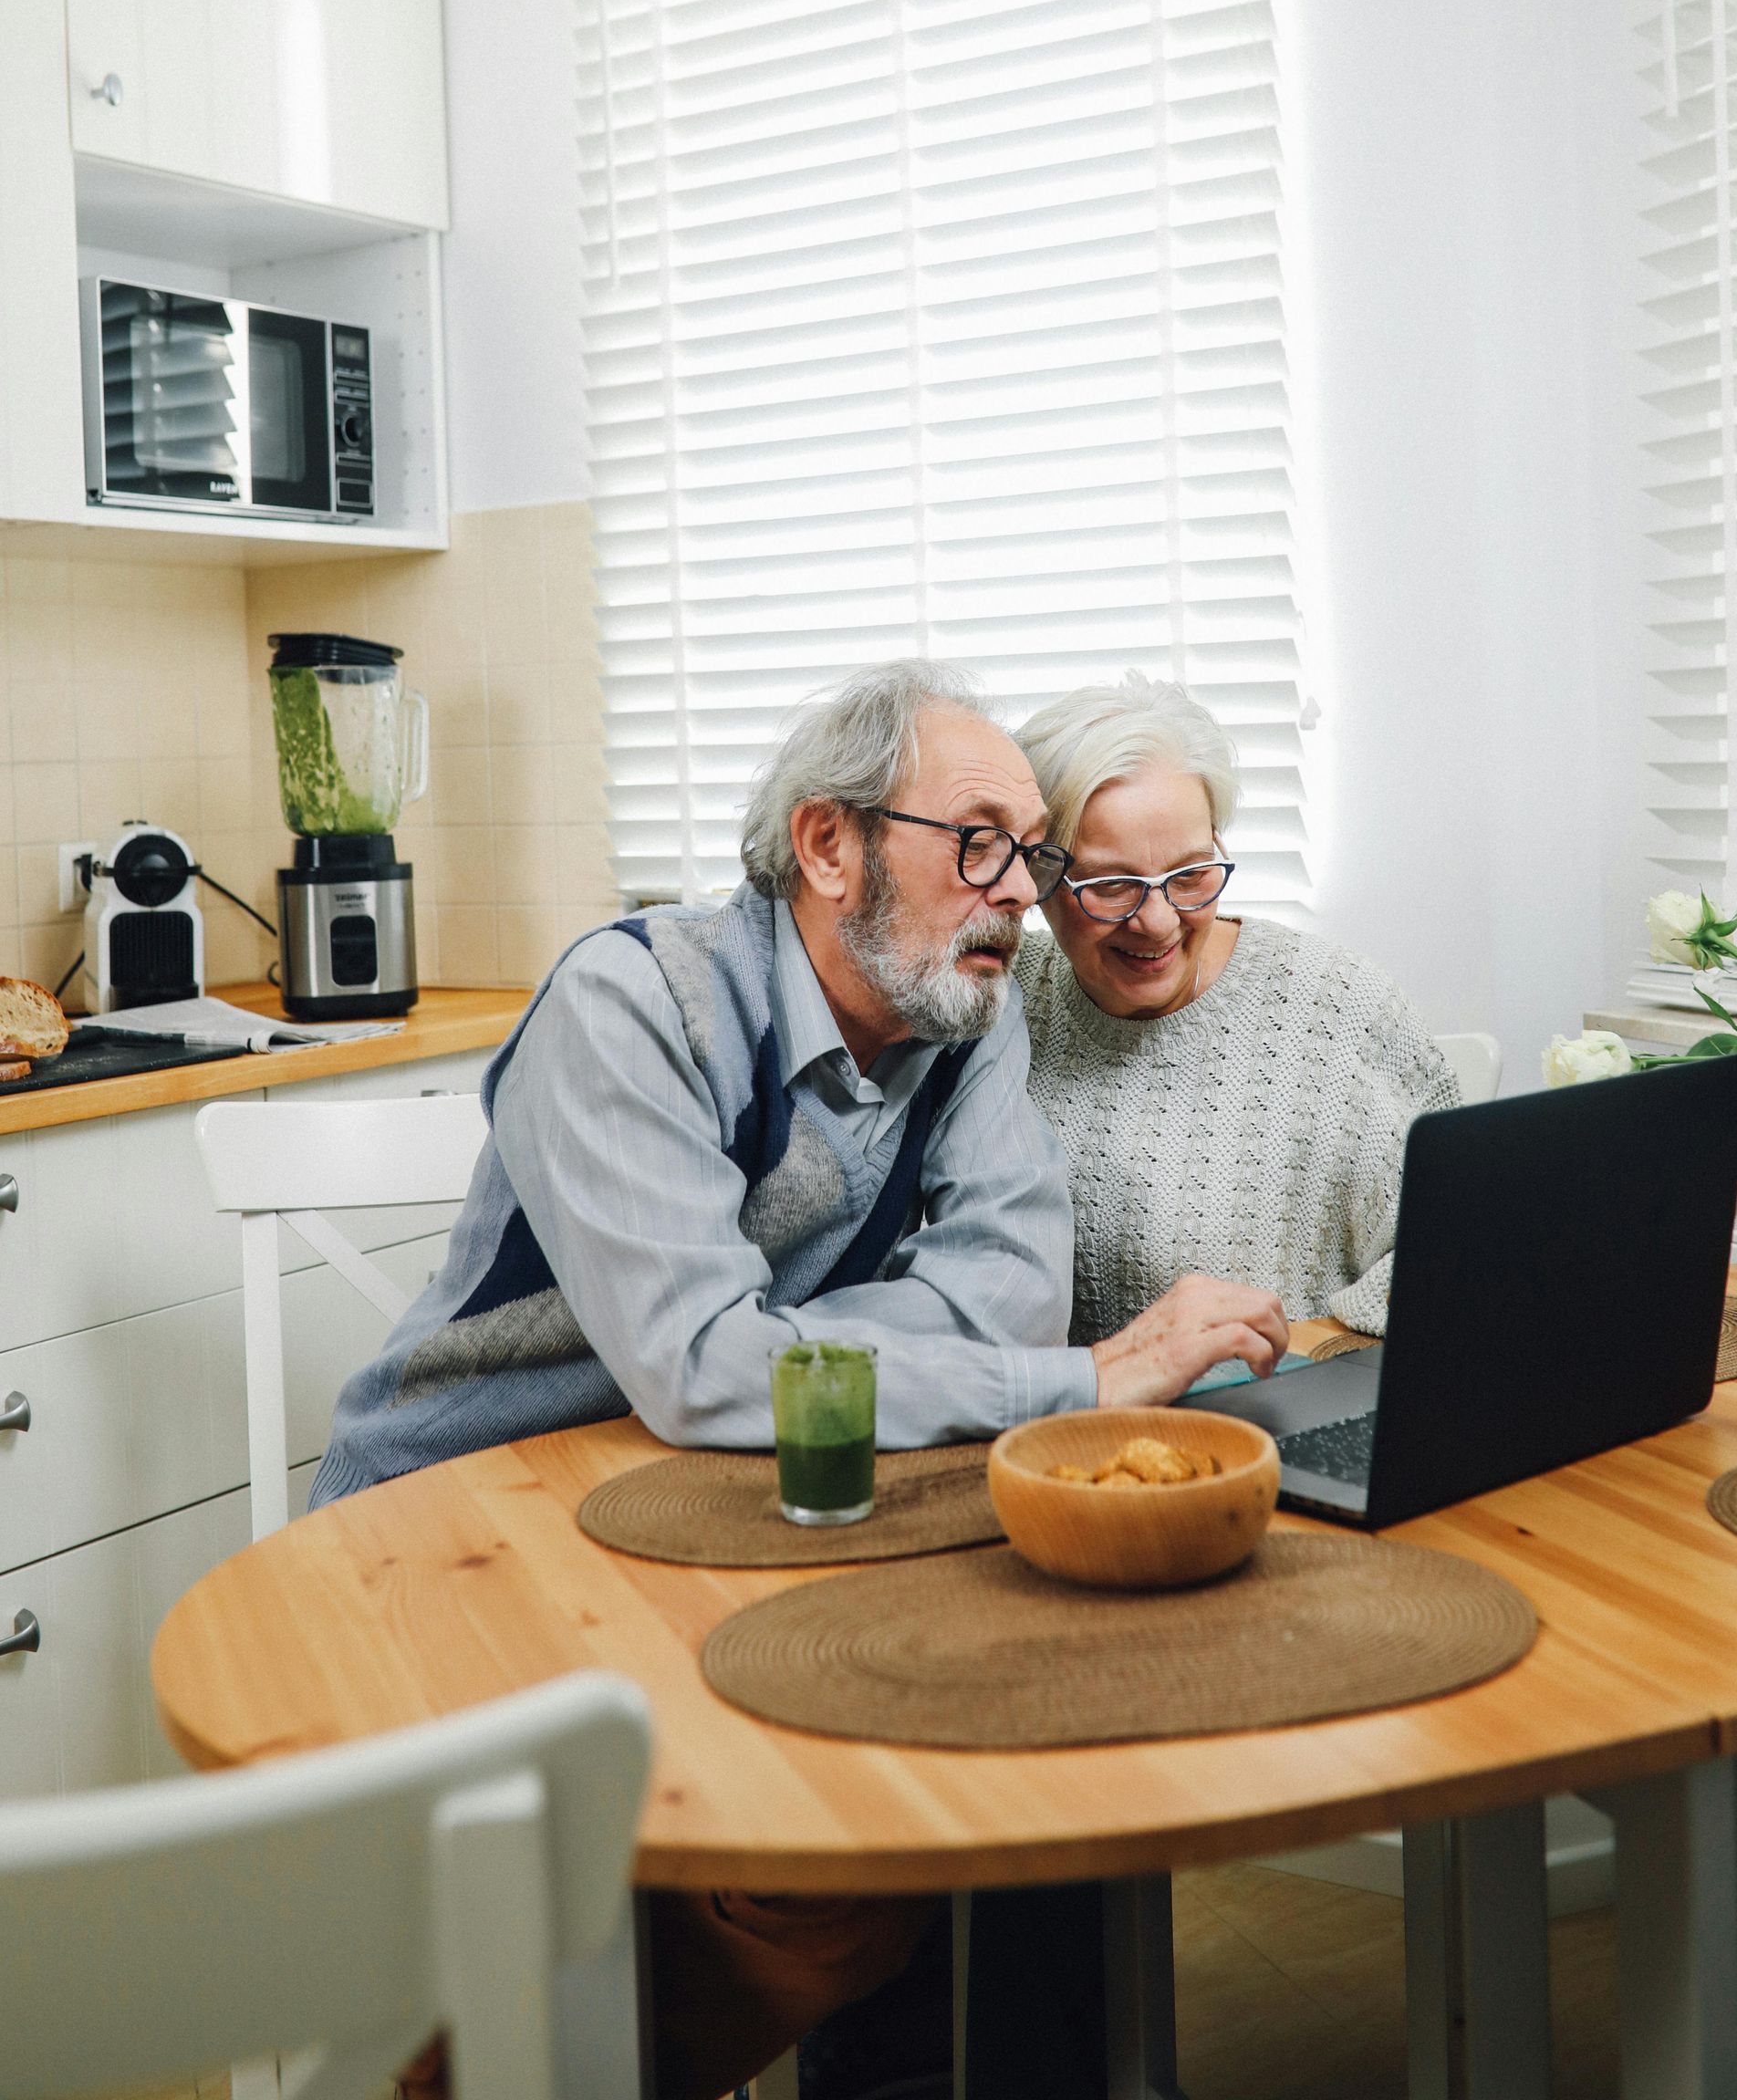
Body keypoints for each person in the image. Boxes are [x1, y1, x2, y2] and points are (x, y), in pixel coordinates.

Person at [316, 659, 1288, 2100]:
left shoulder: (969, 1016)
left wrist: (768, 1339)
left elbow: (996, 1292)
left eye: (1023, 851)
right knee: (843, 1865)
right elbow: (707, 1373)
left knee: (1002, 1758)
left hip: (746, 1520)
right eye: (977, 841)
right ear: (829, 846)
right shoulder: (633, 999)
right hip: (453, 1542)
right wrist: (1070, 1377)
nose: (1020, 890)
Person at [1014, 671, 1460, 1342]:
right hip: (1071, 1429)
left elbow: (1463, 1242)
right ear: (1039, 877)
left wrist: (1301, 1352)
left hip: (1293, 1402)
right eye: (1111, 886)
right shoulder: (997, 1002)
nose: (1159, 923)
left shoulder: (1335, 1006)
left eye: (1191, 875)